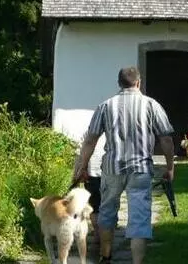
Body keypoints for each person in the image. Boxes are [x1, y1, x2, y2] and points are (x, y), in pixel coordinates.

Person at [73, 66, 176, 264]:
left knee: (107, 212)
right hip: (140, 169)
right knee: (139, 218)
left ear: (119, 84)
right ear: (139, 82)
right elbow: (166, 140)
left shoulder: (106, 106)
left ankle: (106, 257)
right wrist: (170, 167)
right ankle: (137, 262)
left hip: (112, 168)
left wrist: (82, 167)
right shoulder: (151, 105)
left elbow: (90, 140)